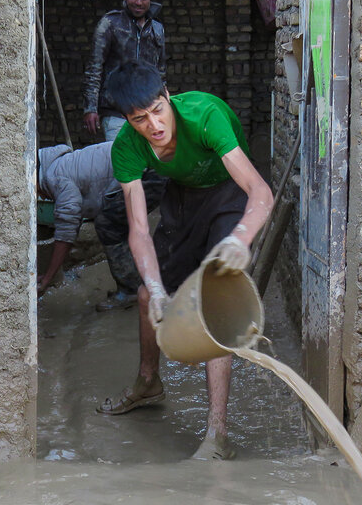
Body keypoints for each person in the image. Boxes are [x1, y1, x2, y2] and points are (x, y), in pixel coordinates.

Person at [96, 61, 274, 461]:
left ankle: (217, 434)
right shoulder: (126, 145)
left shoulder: (205, 115)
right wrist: (158, 287)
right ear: (127, 119)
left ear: (168, 95)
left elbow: (259, 191)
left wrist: (242, 237)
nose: (154, 125)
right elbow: (139, 229)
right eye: (140, 119)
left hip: (229, 194)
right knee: (145, 295)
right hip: (182, 197)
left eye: (159, 110)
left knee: (214, 302)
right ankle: (148, 382)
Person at [37, 142, 162, 311]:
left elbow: (66, 230)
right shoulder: (61, 165)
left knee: (107, 224)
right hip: (149, 161)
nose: (40, 195)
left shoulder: (54, 177)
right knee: (116, 219)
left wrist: (47, 279)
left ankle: (131, 290)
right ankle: (140, 281)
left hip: (151, 169)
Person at [83, 0, 166, 142]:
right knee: (119, 164)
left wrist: (165, 107)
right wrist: (90, 108)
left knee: (147, 166)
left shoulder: (157, 30)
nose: (138, 2)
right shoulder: (111, 24)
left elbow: (161, 74)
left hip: (148, 113)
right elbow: (94, 69)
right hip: (116, 112)